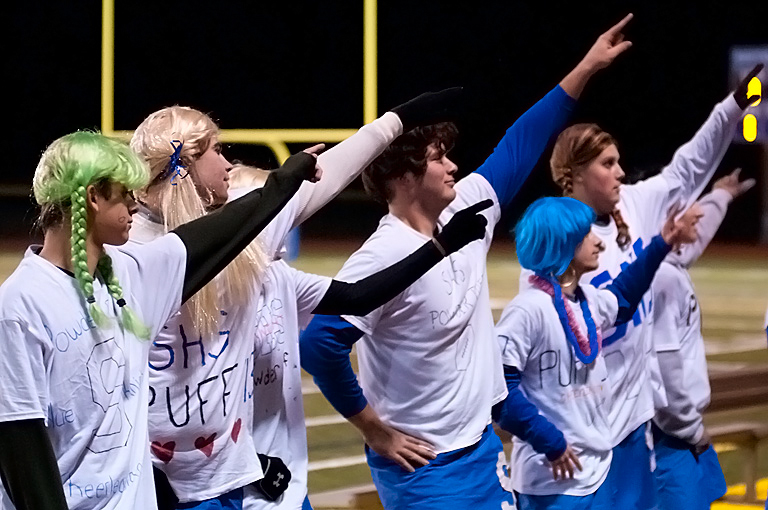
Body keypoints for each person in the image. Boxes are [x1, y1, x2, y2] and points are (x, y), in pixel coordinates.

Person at [299, 15, 634, 509]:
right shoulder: (384, 253)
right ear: (406, 176)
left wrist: (585, 67)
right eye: (439, 157)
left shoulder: (467, 204)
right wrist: (374, 430)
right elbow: (320, 344)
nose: (454, 165)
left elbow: (523, 139)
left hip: (481, 450)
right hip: (424, 469)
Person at [128, 90, 478, 510]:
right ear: (185, 163)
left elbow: (329, 180)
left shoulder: (248, 251)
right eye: (217, 150)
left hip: (230, 482)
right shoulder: (136, 259)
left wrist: (398, 120)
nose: (226, 164)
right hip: (157, 487)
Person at [0, 130, 321, 510]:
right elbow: (20, 449)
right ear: (92, 198)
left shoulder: (130, 273)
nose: (136, 206)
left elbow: (217, 234)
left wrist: (286, 180)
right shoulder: (20, 306)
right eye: (124, 194)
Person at [533, 62, 763, 509]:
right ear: (575, 175)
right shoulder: (555, 240)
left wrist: (733, 108)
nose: (621, 172)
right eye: (608, 163)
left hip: (641, 420)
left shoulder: (636, 206)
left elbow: (689, 166)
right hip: (593, 424)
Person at [494, 196, 692, 509]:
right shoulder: (527, 310)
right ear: (563, 243)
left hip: (596, 472)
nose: (599, 242)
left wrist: (662, 243)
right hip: (551, 480)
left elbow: (623, 298)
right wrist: (550, 441)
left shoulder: (585, 300)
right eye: (587, 234)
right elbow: (500, 389)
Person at [651, 168, 754, 509]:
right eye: (688, 210)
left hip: (680, 433)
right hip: (672, 436)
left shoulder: (669, 265)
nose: (698, 214)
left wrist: (720, 196)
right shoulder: (663, 279)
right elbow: (664, 372)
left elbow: (692, 240)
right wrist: (693, 430)